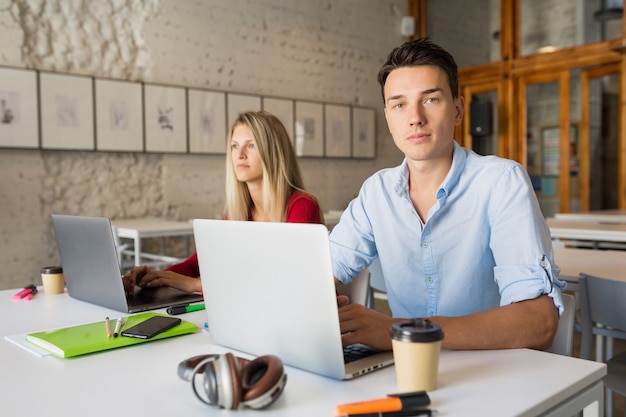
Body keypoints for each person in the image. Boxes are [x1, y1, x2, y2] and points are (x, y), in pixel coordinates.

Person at [332, 38, 565, 352]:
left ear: (457, 109)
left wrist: (398, 331)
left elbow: (539, 323)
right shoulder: (377, 192)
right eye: (399, 104)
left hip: (493, 371)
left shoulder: (501, 182)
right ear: (388, 117)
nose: (415, 117)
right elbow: (324, 270)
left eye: (430, 100)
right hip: (406, 371)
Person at [122, 110, 323, 294]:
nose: (239, 154)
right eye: (234, 146)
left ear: (274, 152)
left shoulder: (302, 206)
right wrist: (155, 276)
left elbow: (284, 279)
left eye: (251, 145)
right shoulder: (239, 213)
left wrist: (196, 285)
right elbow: (196, 265)